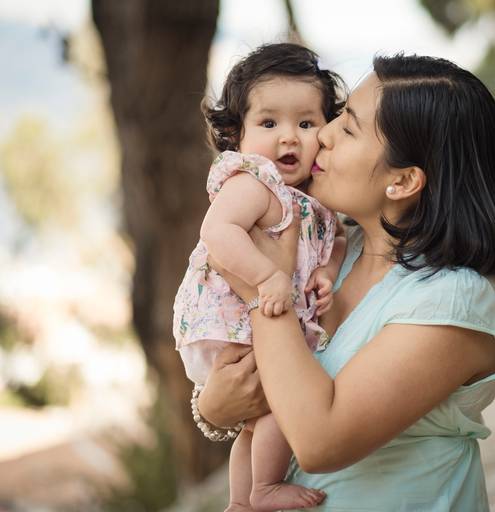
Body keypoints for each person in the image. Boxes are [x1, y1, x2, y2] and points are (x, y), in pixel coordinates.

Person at [199, 53, 495, 511]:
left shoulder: (453, 299)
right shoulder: (331, 249)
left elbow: (321, 439)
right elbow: (266, 387)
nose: (323, 134)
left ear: (403, 181)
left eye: (348, 128)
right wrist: (215, 409)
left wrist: (261, 292)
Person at [171, 43, 347, 511]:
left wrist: (326, 274)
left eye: (306, 124)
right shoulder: (254, 181)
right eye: (269, 123)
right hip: (231, 316)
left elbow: (339, 244)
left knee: (258, 417)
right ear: (237, 134)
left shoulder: (316, 202)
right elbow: (217, 231)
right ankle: (263, 490)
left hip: (258, 321)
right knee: (276, 402)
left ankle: (242, 502)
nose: (288, 138)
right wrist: (267, 275)